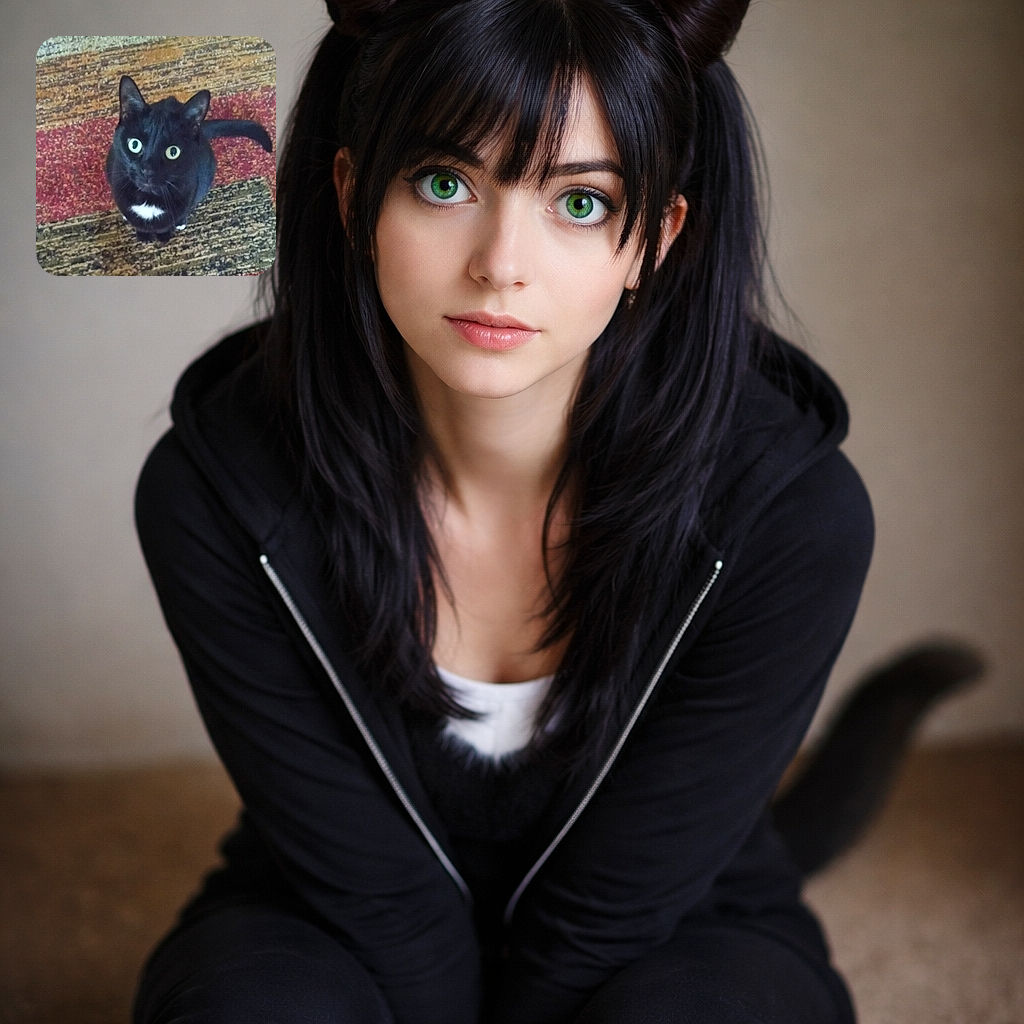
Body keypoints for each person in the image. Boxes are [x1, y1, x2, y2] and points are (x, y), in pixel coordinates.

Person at [131, 1, 876, 1021]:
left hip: (677, 926)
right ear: (351, 196)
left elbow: (616, 909)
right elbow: (372, 892)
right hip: (323, 915)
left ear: (652, 241)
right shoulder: (214, 488)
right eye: (445, 183)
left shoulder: (792, 514)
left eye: (578, 204)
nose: (500, 264)